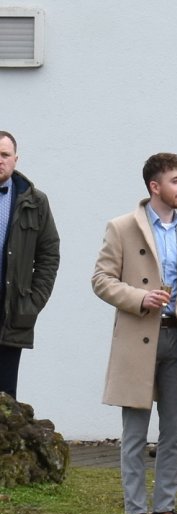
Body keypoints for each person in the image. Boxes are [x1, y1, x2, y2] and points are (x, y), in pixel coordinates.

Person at [91, 152, 177, 514]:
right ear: (155, 186)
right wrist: (139, 298)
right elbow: (101, 279)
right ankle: (136, 512)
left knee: (175, 429)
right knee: (136, 431)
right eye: (176, 180)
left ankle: (165, 508)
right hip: (141, 333)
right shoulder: (122, 227)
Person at [0, 130, 59, 401]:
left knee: (5, 399)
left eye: (4, 155)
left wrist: (33, 301)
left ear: (16, 159)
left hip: (11, 312)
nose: (0, 160)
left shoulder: (35, 202)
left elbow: (49, 254)